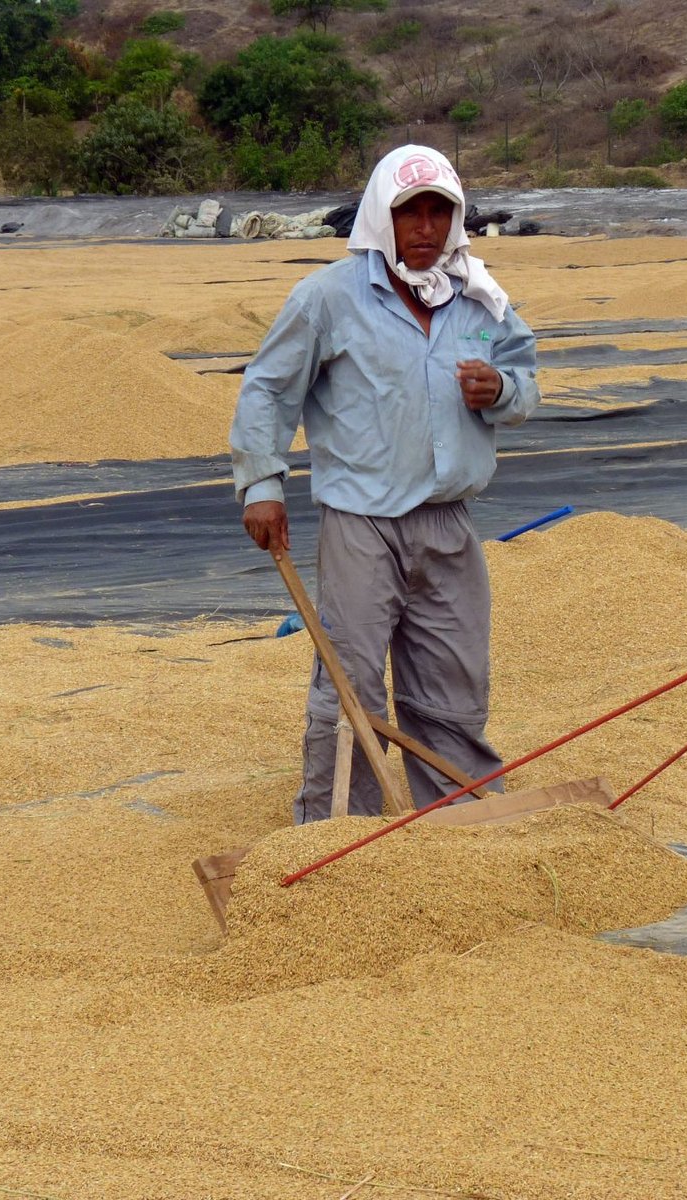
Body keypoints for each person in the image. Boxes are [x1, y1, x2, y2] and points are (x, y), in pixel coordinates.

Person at [229, 145, 540, 824]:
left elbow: (525, 384)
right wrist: (263, 486)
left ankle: (460, 821)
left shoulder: (481, 301)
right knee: (351, 687)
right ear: (381, 218)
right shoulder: (329, 299)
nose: (425, 228)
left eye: (439, 212)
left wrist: (502, 389)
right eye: (410, 213)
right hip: (361, 525)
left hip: (449, 524)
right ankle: (340, 832)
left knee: (452, 686)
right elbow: (268, 390)